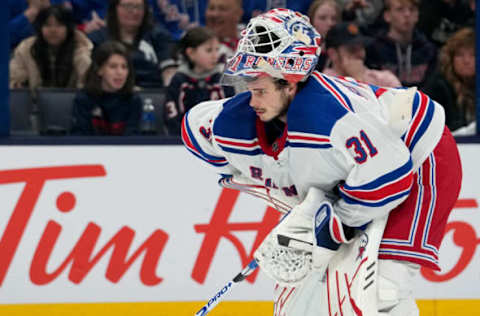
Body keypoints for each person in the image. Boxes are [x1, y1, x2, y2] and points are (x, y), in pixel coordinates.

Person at [181, 9, 462, 316]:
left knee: (383, 290)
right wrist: (258, 178)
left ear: (290, 84)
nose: (252, 101)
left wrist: (332, 223)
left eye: (260, 90)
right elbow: (194, 130)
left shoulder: (328, 119)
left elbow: (389, 180)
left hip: (419, 156)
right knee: (304, 295)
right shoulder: (235, 119)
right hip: (363, 172)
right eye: (249, 87)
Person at [87, 0, 175, 88]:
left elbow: (169, 69)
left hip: (154, 91)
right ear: (115, 8)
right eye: (127, 6)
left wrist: (168, 91)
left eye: (138, 7)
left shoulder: (158, 35)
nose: (134, 11)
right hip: (113, 93)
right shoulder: (98, 38)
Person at [164, 27, 234, 135]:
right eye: (209, 50)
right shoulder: (178, 80)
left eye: (217, 49)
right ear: (191, 53)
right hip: (182, 143)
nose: (215, 55)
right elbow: (171, 118)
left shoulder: (223, 80)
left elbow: (232, 114)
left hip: (218, 141)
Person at [9, 4, 93, 89]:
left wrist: (82, 58)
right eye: (47, 25)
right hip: (33, 101)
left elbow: (88, 86)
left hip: (73, 101)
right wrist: (16, 84)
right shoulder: (26, 49)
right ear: (40, 28)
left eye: (59, 25)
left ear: (68, 28)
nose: (53, 30)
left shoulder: (81, 49)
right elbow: (13, 81)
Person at [71, 41, 142, 135]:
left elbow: (133, 140)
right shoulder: (84, 99)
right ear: (100, 70)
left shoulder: (133, 100)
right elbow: (80, 138)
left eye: (124, 67)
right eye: (113, 66)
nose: (120, 72)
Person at [365, 0, 437, 89]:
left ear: (417, 15)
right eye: (400, 9)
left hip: (419, 99)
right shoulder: (374, 48)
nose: (407, 14)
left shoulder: (428, 50)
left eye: (412, 9)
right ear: (387, 16)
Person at [423, 27, 476, 135]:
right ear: (451, 59)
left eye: (473, 55)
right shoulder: (438, 87)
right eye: (460, 55)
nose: (466, 61)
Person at [323, 22, 400, 87]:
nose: (359, 54)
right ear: (333, 54)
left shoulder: (384, 79)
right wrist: (358, 80)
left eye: (361, 48)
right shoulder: (325, 83)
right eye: (352, 49)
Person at [307, 0, 342, 71]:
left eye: (334, 19)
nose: (330, 23)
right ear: (311, 21)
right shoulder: (302, 51)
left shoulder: (344, 51)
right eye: (322, 18)